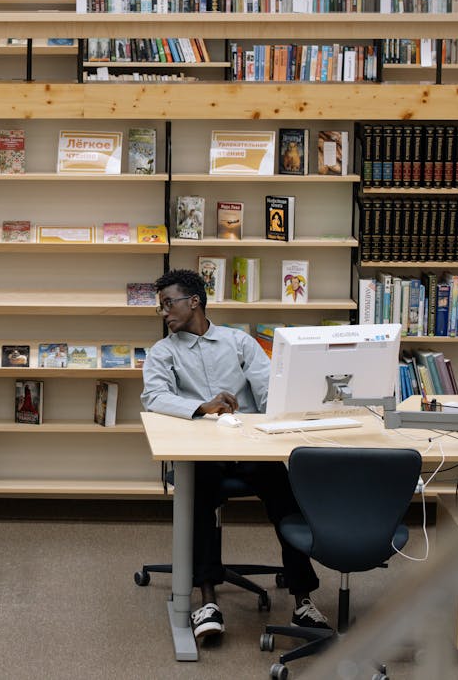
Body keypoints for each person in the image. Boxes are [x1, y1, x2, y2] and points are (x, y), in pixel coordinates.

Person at [140, 269, 329, 645]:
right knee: (200, 494)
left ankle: (303, 599)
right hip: (201, 454)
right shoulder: (163, 352)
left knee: (286, 496)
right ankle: (207, 601)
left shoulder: (238, 342)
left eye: (168, 304)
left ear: (193, 302)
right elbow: (154, 397)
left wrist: (254, 416)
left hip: (248, 447)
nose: (164, 313)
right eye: (160, 307)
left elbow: (268, 389)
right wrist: (202, 406)